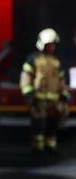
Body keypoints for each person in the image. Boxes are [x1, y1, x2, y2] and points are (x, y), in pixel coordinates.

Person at [20, 28, 70, 156]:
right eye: (49, 45)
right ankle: (37, 149)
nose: (52, 47)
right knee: (39, 124)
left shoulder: (56, 61)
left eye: (53, 45)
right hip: (39, 99)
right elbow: (26, 78)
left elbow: (60, 80)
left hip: (54, 100)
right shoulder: (33, 59)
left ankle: (50, 147)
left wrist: (64, 93)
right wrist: (29, 94)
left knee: (52, 125)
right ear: (43, 44)